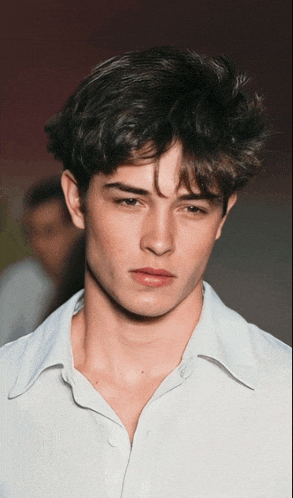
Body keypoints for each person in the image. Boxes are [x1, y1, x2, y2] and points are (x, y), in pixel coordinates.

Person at [0, 47, 291, 497]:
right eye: (130, 201)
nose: (160, 240)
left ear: (223, 217)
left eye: (191, 207)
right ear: (76, 201)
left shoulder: (283, 398)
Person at [0, 175, 84, 347]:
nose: (39, 245)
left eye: (49, 231)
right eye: (32, 233)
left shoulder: (103, 284)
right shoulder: (20, 281)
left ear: (79, 227)